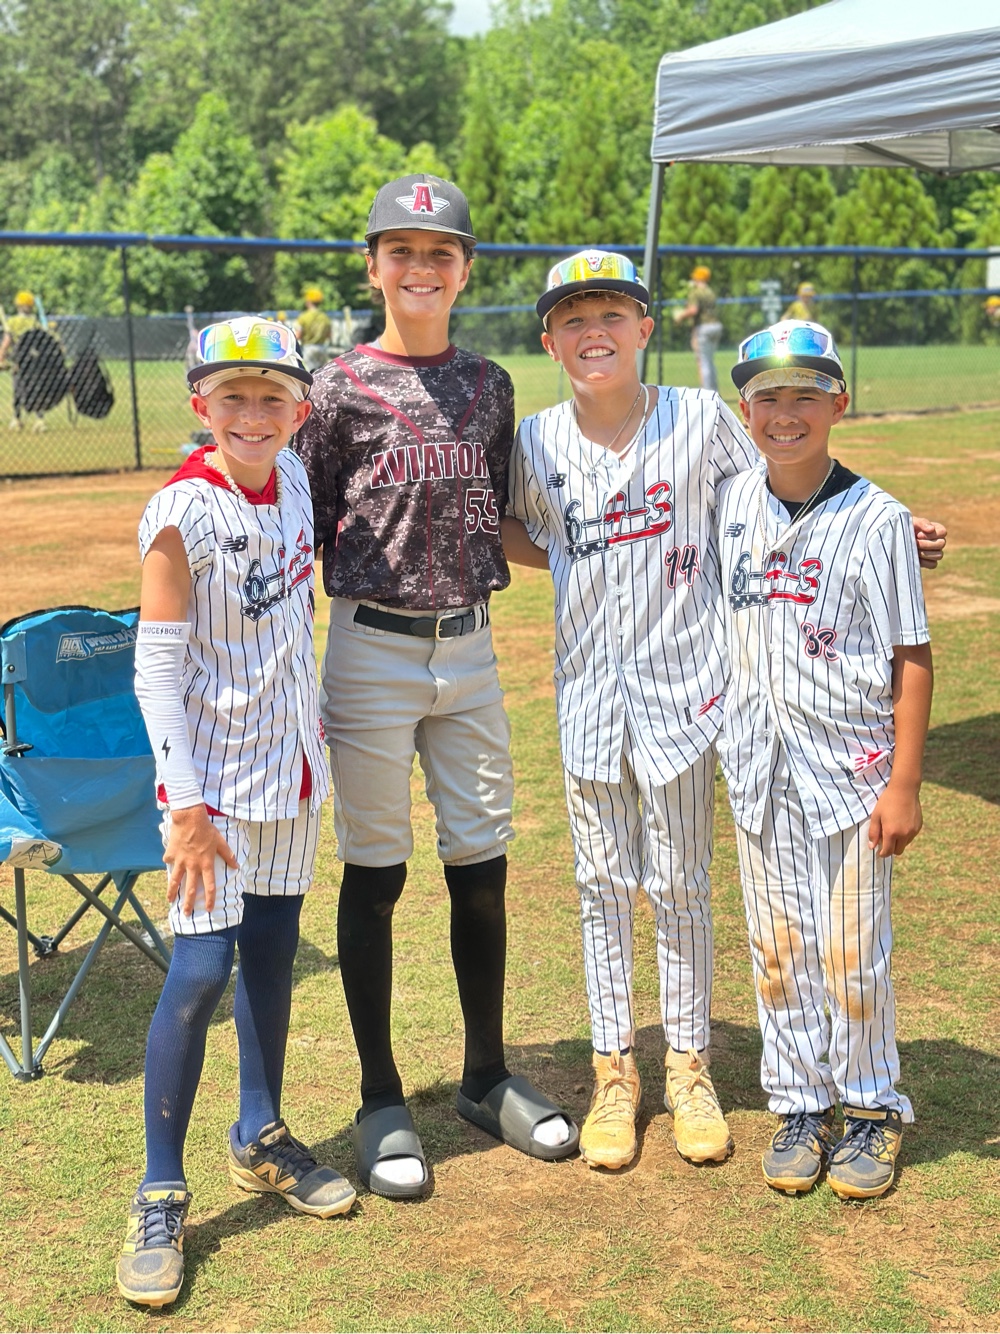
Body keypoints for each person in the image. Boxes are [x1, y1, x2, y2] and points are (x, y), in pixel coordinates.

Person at [502, 253, 947, 1176]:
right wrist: (586, 555)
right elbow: (522, 528)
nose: (594, 331)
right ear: (549, 339)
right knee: (599, 888)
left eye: (613, 313)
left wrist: (893, 529)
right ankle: (615, 1073)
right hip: (590, 693)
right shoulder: (536, 441)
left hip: (690, 697)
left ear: (644, 327)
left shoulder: (705, 419)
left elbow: (791, 486)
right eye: (574, 316)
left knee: (683, 886)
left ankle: (692, 1068)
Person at [293, 174, 578, 1201]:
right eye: (401, 250)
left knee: (482, 864)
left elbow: (500, 518)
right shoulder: (331, 389)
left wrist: (608, 549)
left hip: (470, 649)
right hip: (370, 647)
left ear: (465, 270)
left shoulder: (490, 385)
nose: (421, 267)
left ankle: (485, 1075)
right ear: (372, 265)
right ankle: (379, 1096)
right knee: (375, 871)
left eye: (440, 252)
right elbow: (297, 522)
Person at [117, 317, 355, 1310]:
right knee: (202, 966)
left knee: (270, 951)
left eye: (272, 397)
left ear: (299, 408)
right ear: (200, 405)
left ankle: (259, 1131)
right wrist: (183, 806)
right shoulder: (182, 513)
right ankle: (158, 1190)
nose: (253, 414)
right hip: (211, 788)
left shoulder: (293, 475)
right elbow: (155, 672)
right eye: (232, 397)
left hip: (291, 771)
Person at [717, 319, 932, 1200]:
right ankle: (800, 1102)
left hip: (853, 772)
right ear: (744, 410)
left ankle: (872, 1106)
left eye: (805, 395)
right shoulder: (732, 503)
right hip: (760, 769)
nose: (786, 413)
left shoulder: (879, 520)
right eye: (768, 396)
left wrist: (905, 783)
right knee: (778, 948)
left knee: (850, 952)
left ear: (840, 402)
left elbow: (911, 655)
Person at [0, 289, 47, 430]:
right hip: (34, 360)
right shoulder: (34, 322)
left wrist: (1, 357)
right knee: (36, 389)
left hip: (18, 360)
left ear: (17, 305)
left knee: (18, 389)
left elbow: (7, 342)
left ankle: (17, 418)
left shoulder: (12, 322)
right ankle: (39, 419)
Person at [673, 264, 724, 392]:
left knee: (703, 362)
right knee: (710, 361)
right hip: (716, 326)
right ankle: (714, 391)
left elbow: (693, 310)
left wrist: (680, 316)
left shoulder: (696, 292)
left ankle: (707, 393)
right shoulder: (710, 292)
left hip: (704, 328)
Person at [294, 287, 333, 372]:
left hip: (308, 349)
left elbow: (298, 335)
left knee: (309, 373)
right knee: (321, 372)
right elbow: (329, 335)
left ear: (308, 302)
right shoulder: (325, 317)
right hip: (322, 348)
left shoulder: (303, 317)